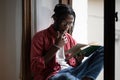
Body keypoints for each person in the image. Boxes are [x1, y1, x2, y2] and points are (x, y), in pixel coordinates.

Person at [30, 4, 104, 80]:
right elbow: (34, 68)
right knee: (66, 77)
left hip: (72, 71)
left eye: (70, 23)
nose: (67, 27)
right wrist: (56, 46)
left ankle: (88, 78)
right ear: (55, 18)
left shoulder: (71, 40)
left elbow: (74, 65)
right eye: (64, 23)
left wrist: (79, 61)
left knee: (103, 50)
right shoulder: (40, 37)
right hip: (54, 75)